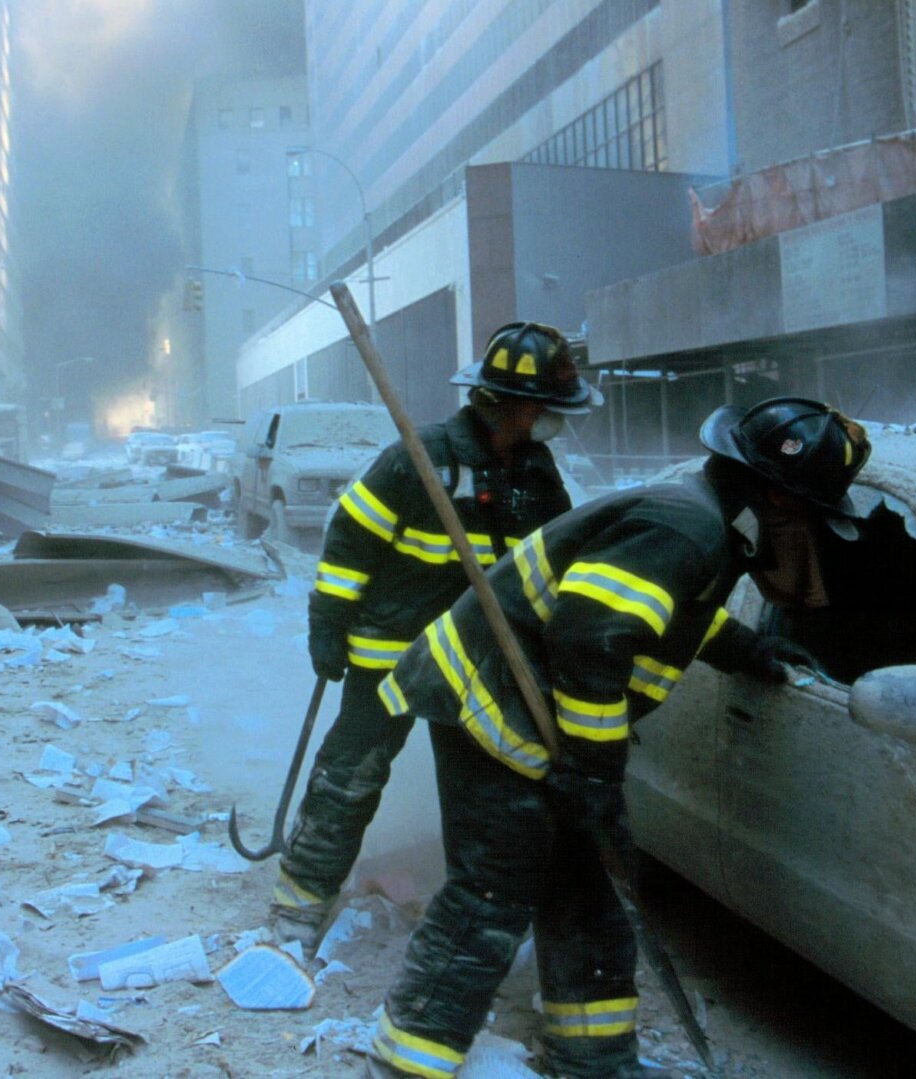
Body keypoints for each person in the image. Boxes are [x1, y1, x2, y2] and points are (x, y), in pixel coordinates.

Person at [361, 397, 870, 1079]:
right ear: (776, 493)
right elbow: (591, 635)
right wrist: (595, 773)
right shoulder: (686, 527)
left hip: (534, 712)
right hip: (487, 703)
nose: (807, 531)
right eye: (810, 510)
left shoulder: (704, 526)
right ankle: (406, 1062)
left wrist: (744, 645)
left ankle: (593, 1059)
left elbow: (656, 613)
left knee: (590, 884)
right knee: (492, 892)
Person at [271, 322, 598, 944]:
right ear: (509, 404)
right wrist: (327, 625)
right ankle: (298, 906)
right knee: (351, 776)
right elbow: (348, 545)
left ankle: (470, 920)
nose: (554, 421)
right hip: (392, 658)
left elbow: (557, 559)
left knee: (481, 791)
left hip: (476, 665)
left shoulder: (535, 471)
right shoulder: (419, 460)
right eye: (547, 409)